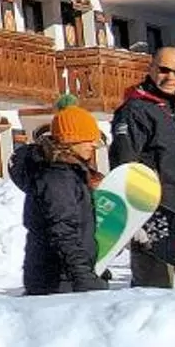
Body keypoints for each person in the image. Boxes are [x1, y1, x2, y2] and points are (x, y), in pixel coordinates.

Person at [108, 46, 175, 288]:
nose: (171, 78)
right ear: (151, 68)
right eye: (164, 70)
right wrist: (135, 219)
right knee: (155, 299)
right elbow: (124, 165)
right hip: (155, 220)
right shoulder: (135, 111)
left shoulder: (173, 110)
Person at [9, 105, 105, 296]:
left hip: (63, 277)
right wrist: (82, 276)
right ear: (71, 139)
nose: (93, 145)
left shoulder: (69, 172)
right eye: (88, 139)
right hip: (56, 281)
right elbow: (62, 231)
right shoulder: (57, 177)